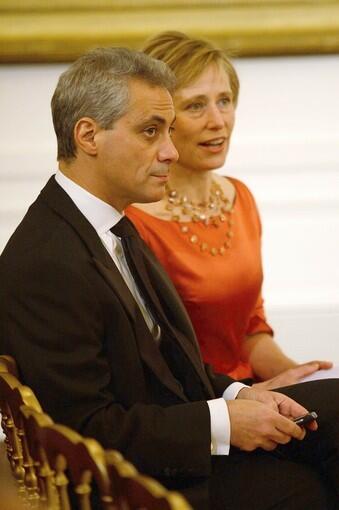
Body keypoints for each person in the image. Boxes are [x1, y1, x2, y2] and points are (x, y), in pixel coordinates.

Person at [0, 47, 338, 510]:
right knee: (307, 485)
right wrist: (224, 422)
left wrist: (243, 395)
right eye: (151, 131)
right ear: (88, 135)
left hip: (177, 430)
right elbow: (85, 430)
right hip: (136, 482)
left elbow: (172, 362)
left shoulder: (106, 223)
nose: (170, 151)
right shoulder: (47, 260)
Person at [126, 31, 332, 388]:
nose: (218, 121)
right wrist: (244, 400)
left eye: (225, 101)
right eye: (195, 106)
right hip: (197, 415)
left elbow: (249, 332)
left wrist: (298, 377)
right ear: (158, 119)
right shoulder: (134, 221)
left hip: (253, 393)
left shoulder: (240, 197)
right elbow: (152, 366)